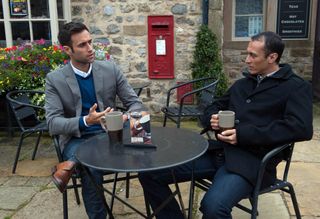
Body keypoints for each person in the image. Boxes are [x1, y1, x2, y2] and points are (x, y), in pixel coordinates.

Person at [138, 31, 313, 219]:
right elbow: (213, 107)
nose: (247, 60)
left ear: (272, 57)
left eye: (253, 55)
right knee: (149, 173)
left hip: (253, 163)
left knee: (213, 207)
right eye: (247, 53)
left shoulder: (295, 87)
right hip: (219, 153)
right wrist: (213, 118)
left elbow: (300, 128)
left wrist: (243, 134)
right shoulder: (243, 84)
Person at [45, 22, 145, 219]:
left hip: (113, 134)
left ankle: (68, 166)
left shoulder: (110, 69)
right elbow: (53, 123)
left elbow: (135, 104)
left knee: (147, 147)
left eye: (90, 42)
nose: (90, 48)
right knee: (91, 166)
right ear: (67, 50)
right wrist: (85, 121)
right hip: (78, 139)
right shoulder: (55, 79)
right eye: (82, 45)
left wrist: (123, 116)